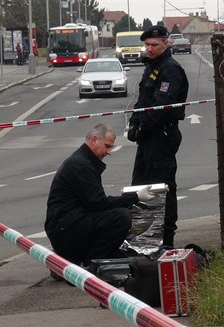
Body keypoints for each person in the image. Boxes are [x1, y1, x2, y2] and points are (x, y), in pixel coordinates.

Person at [45, 124, 155, 269]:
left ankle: (94, 257)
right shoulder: (81, 165)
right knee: (121, 217)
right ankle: (91, 264)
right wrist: (134, 197)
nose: (109, 152)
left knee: (119, 245)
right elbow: (98, 203)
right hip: (65, 229)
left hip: (67, 225)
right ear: (94, 140)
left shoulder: (84, 161)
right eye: (107, 146)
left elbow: (95, 203)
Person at [128, 25, 189, 248]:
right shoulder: (152, 67)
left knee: (162, 187)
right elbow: (142, 101)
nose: (150, 48)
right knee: (141, 187)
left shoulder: (170, 69)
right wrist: (134, 124)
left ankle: (166, 240)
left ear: (166, 43)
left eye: (154, 45)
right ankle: (144, 239)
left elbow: (161, 105)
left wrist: (142, 127)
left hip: (161, 135)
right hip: (147, 138)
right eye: (147, 45)